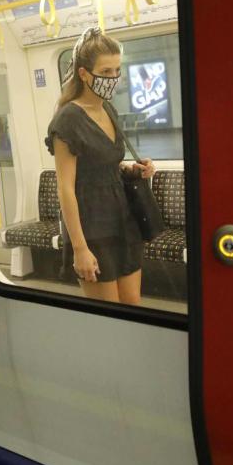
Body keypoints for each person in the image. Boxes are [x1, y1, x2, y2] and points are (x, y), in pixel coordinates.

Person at [45, 27, 155, 304]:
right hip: (91, 226)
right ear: (84, 73)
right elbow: (66, 188)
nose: (113, 78)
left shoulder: (109, 109)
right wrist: (80, 248)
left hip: (124, 220)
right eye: (105, 72)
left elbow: (105, 166)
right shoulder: (68, 119)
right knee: (109, 315)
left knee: (133, 305)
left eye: (117, 70)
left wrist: (133, 170)